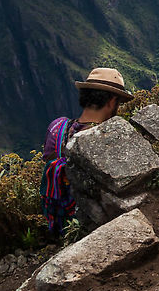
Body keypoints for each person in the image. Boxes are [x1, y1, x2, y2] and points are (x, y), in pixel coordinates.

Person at [41, 67, 134, 234]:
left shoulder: (57, 128)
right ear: (112, 101)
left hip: (61, 222)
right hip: (92, 224)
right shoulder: (107, 139)